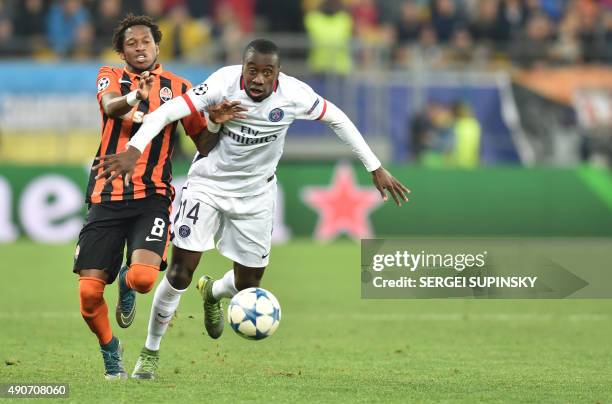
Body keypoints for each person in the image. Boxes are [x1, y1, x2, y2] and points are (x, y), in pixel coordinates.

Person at [94, 39, 410, 379]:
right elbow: (169, 111)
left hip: (256, 195)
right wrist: (135, 148)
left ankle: (214, 291)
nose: (258, 79)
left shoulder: (296, 94)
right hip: (208, 187)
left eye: (267, 72)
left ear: (278, 74)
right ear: (243, 68)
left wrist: (374, 167)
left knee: (249, 285)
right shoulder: (221, 83)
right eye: (252, 71)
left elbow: (338, 119)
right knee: (180, 271)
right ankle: (150, 352)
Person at [73, 13, 233, 380]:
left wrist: (214, 122)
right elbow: (111, 106)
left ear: (157, 45)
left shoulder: (179, 87)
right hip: (107, 194)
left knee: (144, 278)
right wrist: (135, 95)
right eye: (131, 44)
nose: (140, 48)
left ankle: (127, 281)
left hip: (154, 196)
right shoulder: (110, 76)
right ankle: (110, 347)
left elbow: (204, 143)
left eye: (146, 41)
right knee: (88, 296)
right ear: (121, 51)